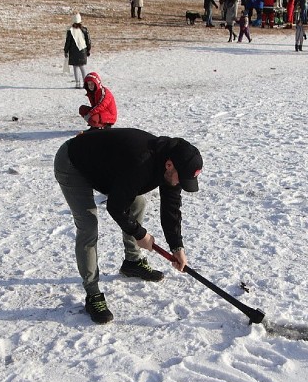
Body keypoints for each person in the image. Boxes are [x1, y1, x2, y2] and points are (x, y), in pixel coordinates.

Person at [53, 128, 203, 324]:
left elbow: (171, 209)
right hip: (73, 163)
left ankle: (132, 262)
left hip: (105, 167)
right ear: (169, 165)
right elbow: (115, 207)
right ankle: (92, 293)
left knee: (138, 203)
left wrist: (177, 247)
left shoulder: (170, 164)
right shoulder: (141, 162)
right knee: (88, 224)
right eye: (181, 179)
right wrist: (140, 234)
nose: (180, 184)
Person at [64, 13, 90, 88]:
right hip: (83, 50)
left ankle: (77, 83)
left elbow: (68, 42)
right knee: (82, 67)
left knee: (75, 67)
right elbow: (88, 41)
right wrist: (88, 50)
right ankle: (86, 83)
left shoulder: (70, 31)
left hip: (73, 51)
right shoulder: (84, 30)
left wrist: (66, 50)